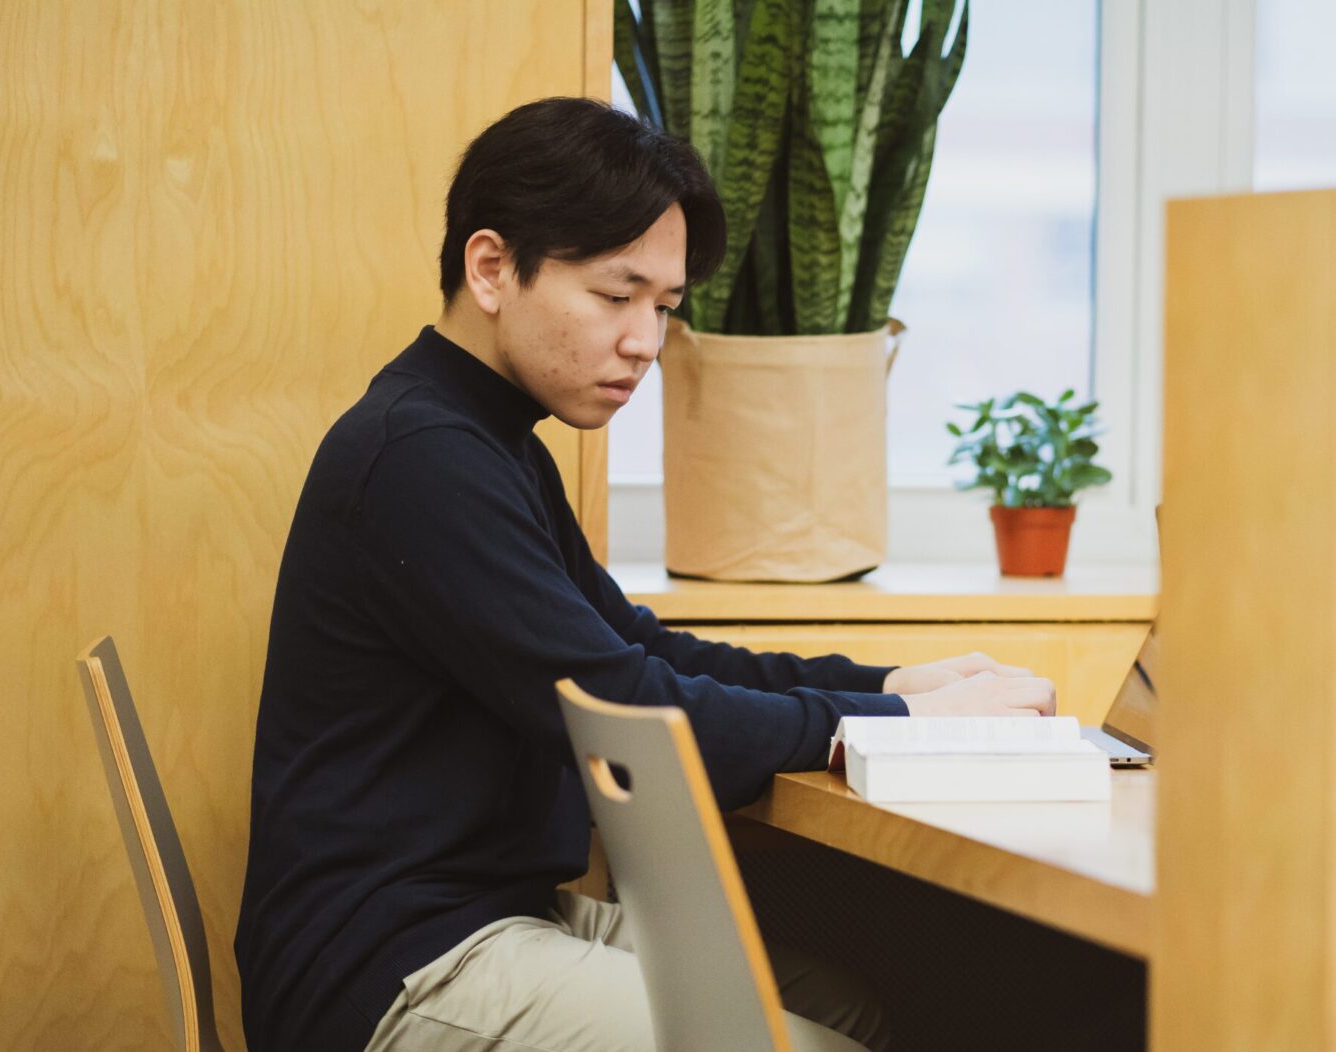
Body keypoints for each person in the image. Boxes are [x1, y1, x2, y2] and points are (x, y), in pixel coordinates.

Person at [232, 96, 1058, 1052]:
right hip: (393, 963)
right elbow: (627, 706)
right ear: (492, 268)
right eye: (614, 296)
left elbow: (639, 648)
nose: (643, 342)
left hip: (481, 917)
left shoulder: (489, 440)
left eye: (663, 308)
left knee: (849, 1009)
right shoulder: (423, 457)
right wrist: (899, 724)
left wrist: (888, 685)